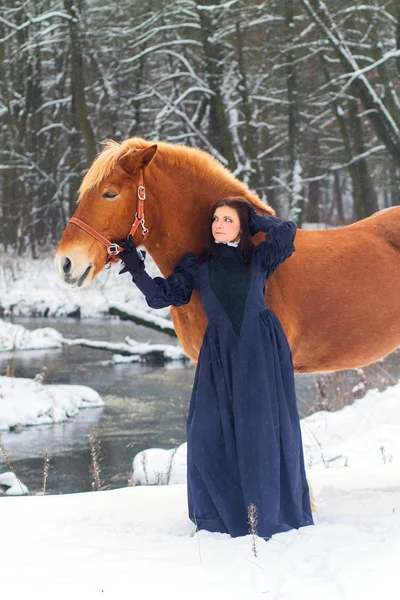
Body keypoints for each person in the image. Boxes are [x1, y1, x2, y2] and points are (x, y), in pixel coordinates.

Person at [117, 197, 314, 540]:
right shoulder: (197, 265)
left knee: (262, 429)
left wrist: (255, 220)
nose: (219, 224)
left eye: (228, 219)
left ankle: (267, 513)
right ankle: (223, 514)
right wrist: (136, 267)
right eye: (216, 219)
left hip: (260, 346)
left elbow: (286, 232)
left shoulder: (259, 258)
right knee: (206, 431)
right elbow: (161, 298)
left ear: (242, 226)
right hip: (219, 353)